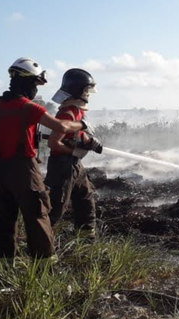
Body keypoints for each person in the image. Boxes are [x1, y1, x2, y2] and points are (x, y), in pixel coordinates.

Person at [0, 57, 87, 259]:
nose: (36, 90)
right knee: (37, 217)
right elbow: (62, 127)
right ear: (29, 83)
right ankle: (44, 268)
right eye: (36, 84)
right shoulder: (30, 108)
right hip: (23, 171)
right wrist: (82, 125)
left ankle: (2, 267)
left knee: (5, 219)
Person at [44, 68, 104, 238]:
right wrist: (73, 150)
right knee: (56, 206)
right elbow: (53, 143)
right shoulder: (67, 112)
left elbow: (74, 134)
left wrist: (87, 140)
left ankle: (86, 238)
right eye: (86, 90)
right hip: (62, 166)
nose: (88, 94)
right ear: (78, 90)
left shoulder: (77, 110)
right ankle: (39, 242)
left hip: (74, 164)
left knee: (86, 198)